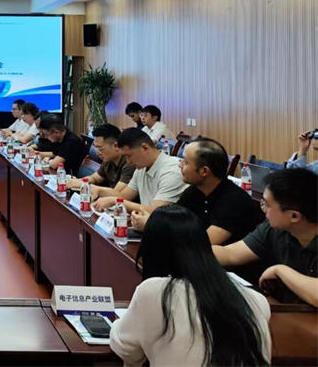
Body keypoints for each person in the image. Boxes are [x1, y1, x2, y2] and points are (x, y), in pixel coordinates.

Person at [110, 205, 270, 366]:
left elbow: (126, 350)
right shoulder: (256, 300)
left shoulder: (154, 292)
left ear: (152, 250)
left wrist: (118, 324)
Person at [212, 167, 318, 306]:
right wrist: (189, 251)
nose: (263, 209)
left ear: (294, 216)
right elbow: (230, 254)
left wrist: (280, 270)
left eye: (267, 204)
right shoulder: (275, 229)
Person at [131, 138, 263, 244]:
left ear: (204, 171)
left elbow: (204, 243)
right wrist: (151, 221)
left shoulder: (234, 201)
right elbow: (172, 219)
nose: (180, 165)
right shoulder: (195, 191)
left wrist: (151, 226)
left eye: (185, 162)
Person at [92, 128, 186, 215]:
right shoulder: (141, 168)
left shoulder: (172, 170)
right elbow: (124, 195)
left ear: (144, 147)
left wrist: (115, 201)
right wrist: (99, 191)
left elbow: (156, 211)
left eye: (129, 156)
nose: (128, 162)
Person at [67, 123, 135, 193]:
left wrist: (83, 185)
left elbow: (117, 192)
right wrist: (77, 181)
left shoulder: (129, 163)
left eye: (100, 148)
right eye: (95, 147)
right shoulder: (108, 159)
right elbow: (94, 178)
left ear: (116, 145)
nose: (98, 152)